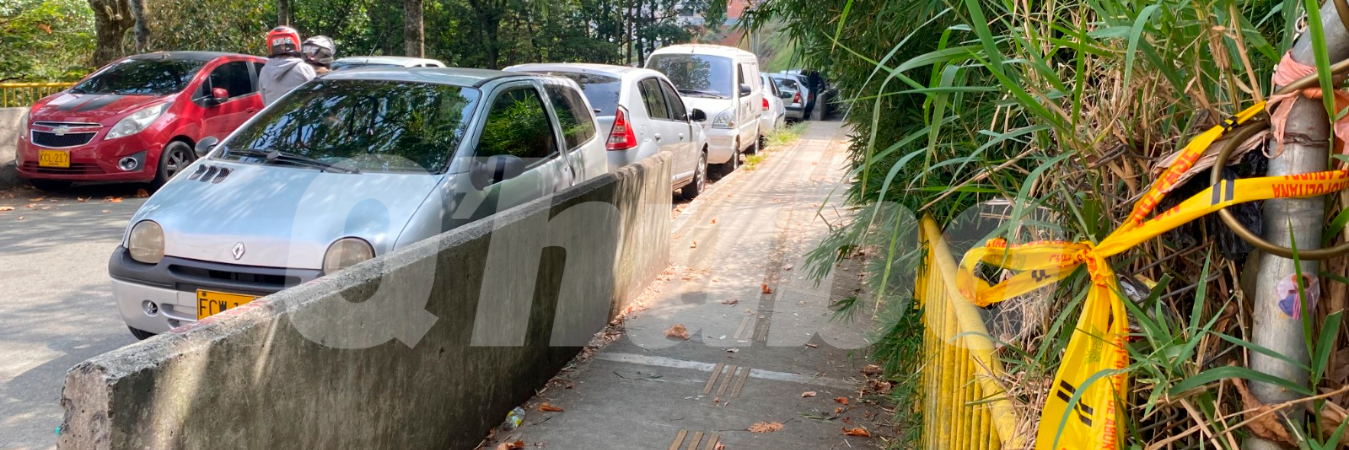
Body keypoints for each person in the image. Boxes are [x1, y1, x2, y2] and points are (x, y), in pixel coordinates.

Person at [258, 26, 316, 105]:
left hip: (275, 117)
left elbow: (265, 101)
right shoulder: (304, 69)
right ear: (296, 44)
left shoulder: (264, 71)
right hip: (299, 116)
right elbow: (314, 97)